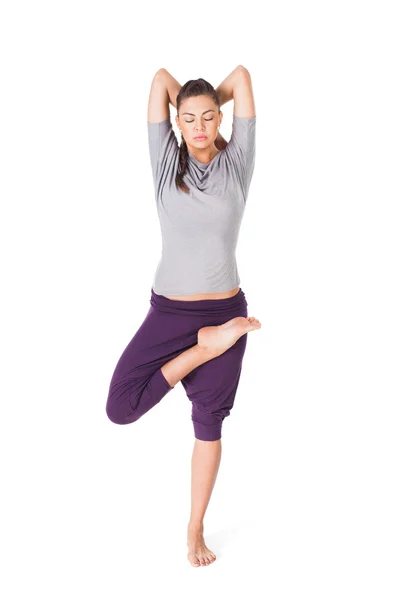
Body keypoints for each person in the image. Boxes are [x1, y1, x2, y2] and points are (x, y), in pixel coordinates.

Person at [105, 65, 261, 567]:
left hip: (225, 307)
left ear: (221, 120)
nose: (198, 127)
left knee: (208, 425)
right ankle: (204, 347)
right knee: (121, 408)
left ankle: (194, 529)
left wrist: (203, 99)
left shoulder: (238, 162)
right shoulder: (164, 160)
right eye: (188, 118)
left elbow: (241, 76)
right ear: (177, 122)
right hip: (170, 312)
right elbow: (159, 79)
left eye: (208, 117)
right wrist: (186, 100)